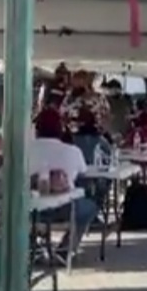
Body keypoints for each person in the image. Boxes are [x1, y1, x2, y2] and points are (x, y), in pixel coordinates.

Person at [30, 108, 99, 258]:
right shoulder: (73, 151)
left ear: (37, 129)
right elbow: (84, 172)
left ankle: (31, 246)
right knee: (90, 206)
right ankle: (67, 248)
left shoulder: (24, 151)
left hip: (30, 211)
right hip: (65, 211)